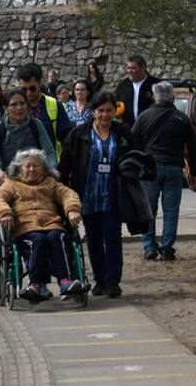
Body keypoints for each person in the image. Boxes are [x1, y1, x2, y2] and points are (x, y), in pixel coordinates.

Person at [59, 91, 135, 298]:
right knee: (93, 240)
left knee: (112, 238)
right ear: (93, 112)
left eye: (109, 111)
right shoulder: (79, 134)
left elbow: (135, 158)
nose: (105, 115)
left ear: (114, 112)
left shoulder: (122, 133)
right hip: (88, 195)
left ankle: (112, 281)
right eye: (101, 111)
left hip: (113, 196)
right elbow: (65, 165)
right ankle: (99, 279)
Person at [0, 149, 83, 299]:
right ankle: (35, 284)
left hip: (52, 224)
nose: (32, 169)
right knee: (39, 240)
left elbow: (68, 194)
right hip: (25, 227)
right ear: (19, 168)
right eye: (28, 166)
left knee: (56, 237)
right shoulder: (11, 184)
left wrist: (72, 210)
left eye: (36, 166)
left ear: (44, 168)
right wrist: (5, 213)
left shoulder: (51, 183)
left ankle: (65, 281)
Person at [132, 81, 196, 261]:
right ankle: (167, 247)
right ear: (173, 97)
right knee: (171, 211)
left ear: (155, 97)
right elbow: (194, 148)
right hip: (173, 168)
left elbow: (133, 143)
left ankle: (149, 246)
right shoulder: (181, 119)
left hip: (149, 169)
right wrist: (194, 173)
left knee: (148, 210)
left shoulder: (144, 116)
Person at [0, 88, 56, 189]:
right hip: (6, 184)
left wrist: (52, 171)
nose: (19, 108)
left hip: (35, 183)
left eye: (22, 103)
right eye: (14, 105)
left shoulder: (36, 125)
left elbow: (49, 153)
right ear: (6, 109)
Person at [18, 63, 73, 158]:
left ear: (40, 83)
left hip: (49, 165)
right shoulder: (15, 106)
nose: (28, 93)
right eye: (24, 89)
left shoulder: (55, 105)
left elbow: (67, 139)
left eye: (32, 88)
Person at [114, 55, 162, 127]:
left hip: (150, 129)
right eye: (128, 68)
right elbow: (116, 104)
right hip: (128, 130)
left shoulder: (156, 85)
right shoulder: (122, 86)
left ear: (143, 68)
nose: (130, 71)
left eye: (133, 68)